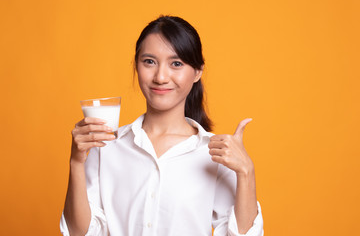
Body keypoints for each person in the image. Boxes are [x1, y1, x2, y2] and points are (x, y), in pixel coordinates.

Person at [60, 15, 264, 236]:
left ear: (197, 72)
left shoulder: (214, 153)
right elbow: (79, 233)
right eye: (149, 61)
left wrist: (246, 171)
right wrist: (76, 162)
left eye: (176, 64)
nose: (160, 77)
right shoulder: (107, 145)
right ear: (136, 65)